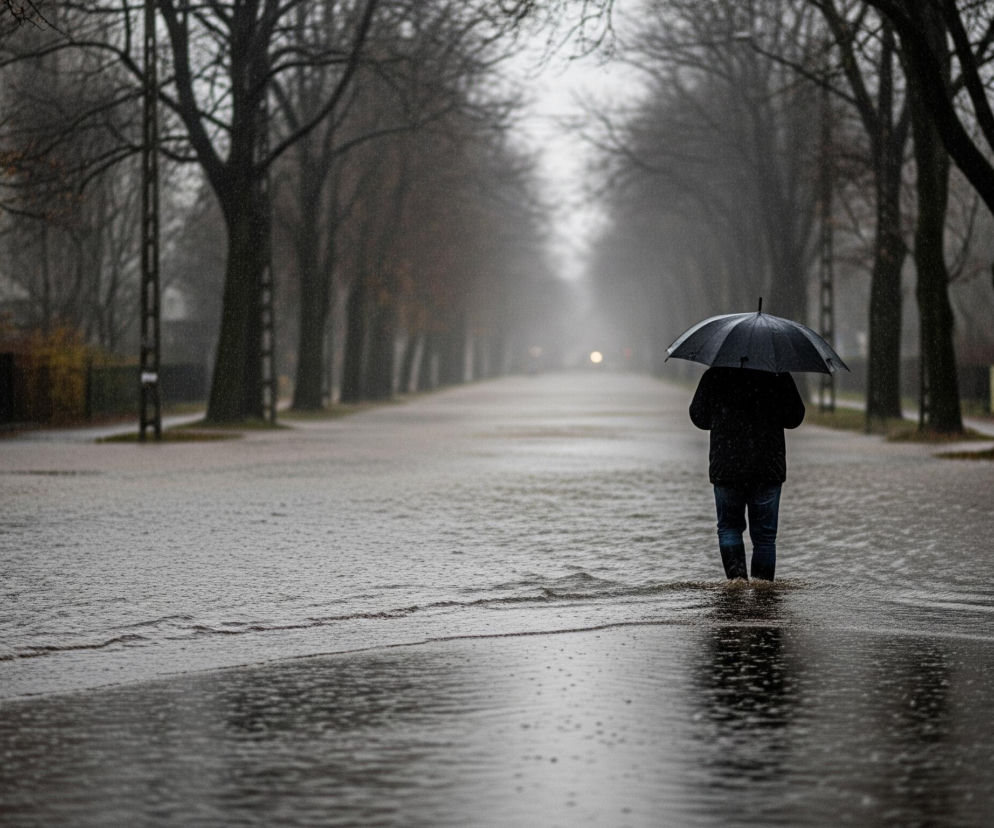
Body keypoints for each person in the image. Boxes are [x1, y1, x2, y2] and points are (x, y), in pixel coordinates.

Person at [689, 366, 805, 581]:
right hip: (767, 466)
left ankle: (737, 585)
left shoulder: (715, 374)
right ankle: (763, 593)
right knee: (765, 537)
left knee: (729, 528)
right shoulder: (777, 374)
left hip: (727, 465)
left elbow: (698, 417)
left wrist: (723, 417)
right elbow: (794, 417)